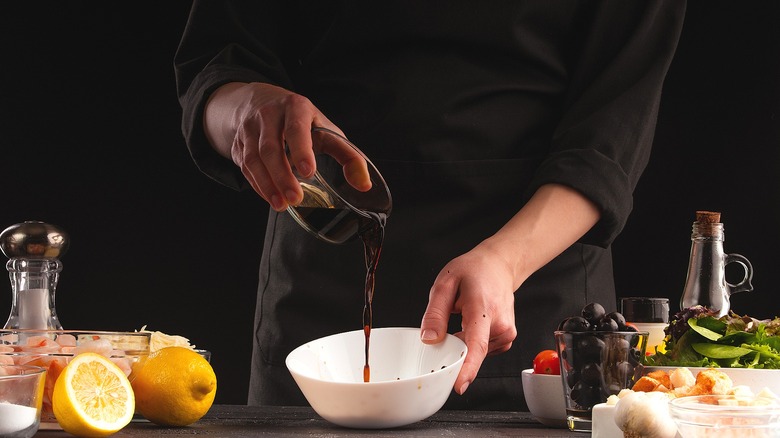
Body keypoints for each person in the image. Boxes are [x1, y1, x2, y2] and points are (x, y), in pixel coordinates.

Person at [174, 1, 686, 410]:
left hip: (528, 304)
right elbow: (217, 61)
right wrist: (244, 107)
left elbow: (611, 134)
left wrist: (506, 261)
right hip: (323, 282)